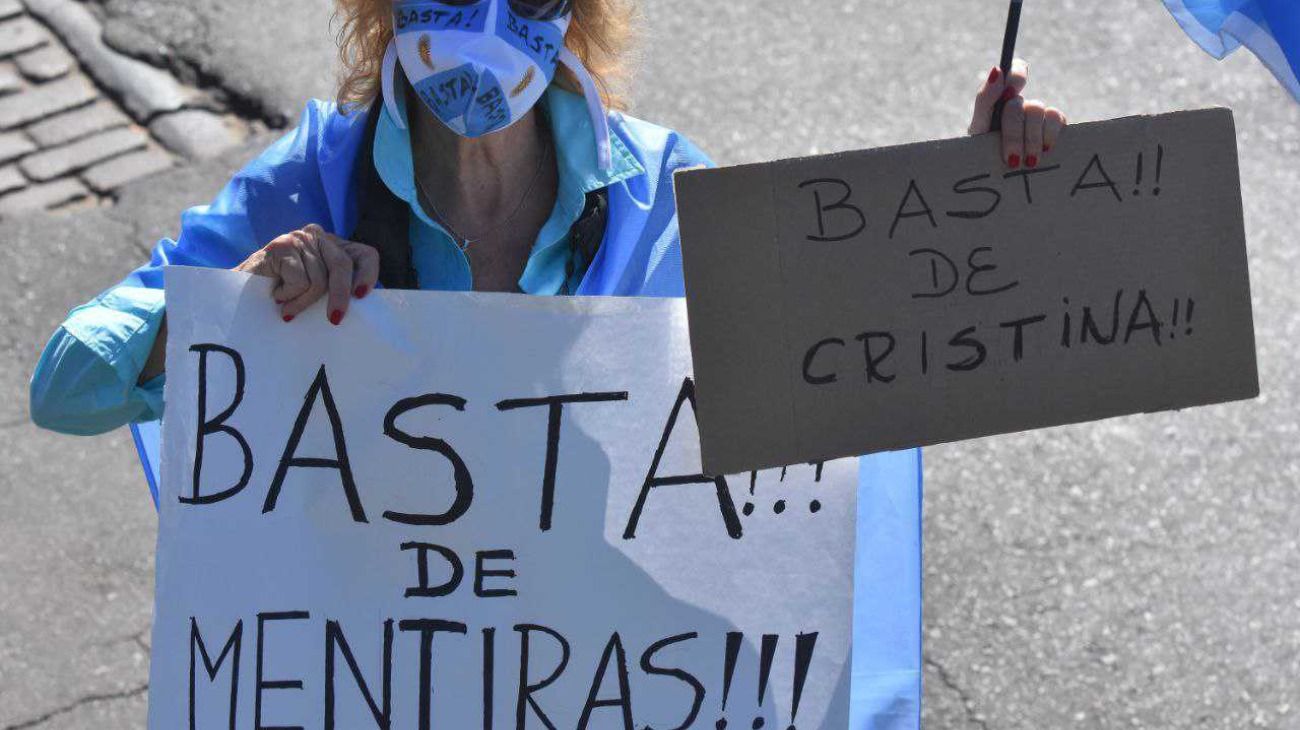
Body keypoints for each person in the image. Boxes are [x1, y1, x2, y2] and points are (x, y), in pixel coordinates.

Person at [28, 0, 1067, 725]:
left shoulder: (664, 189)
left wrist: (970, 197)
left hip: (606, 680)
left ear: (577, 12)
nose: (483, 24)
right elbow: (68, 383)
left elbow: (856, 348)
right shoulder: (313, 178)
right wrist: (231, 298)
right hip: (370, 678)